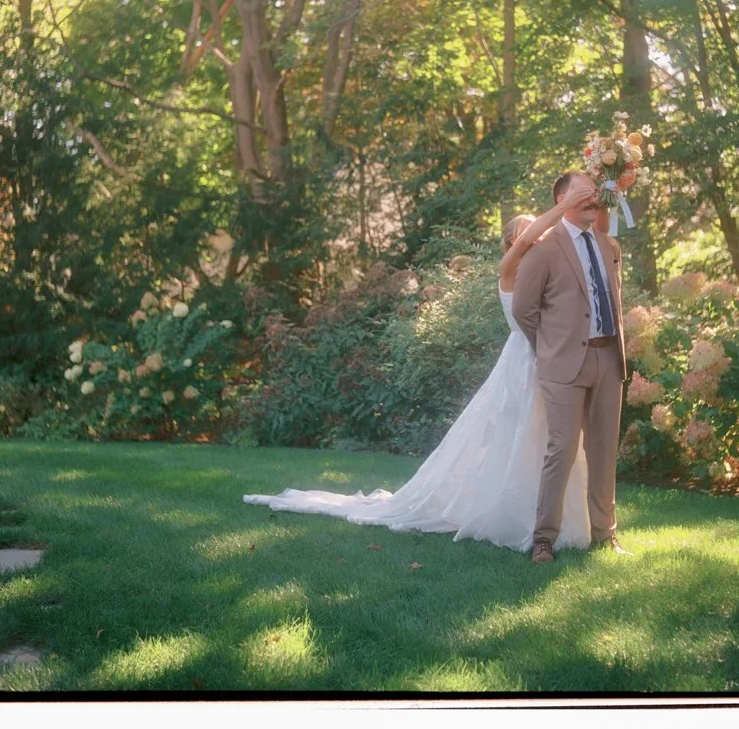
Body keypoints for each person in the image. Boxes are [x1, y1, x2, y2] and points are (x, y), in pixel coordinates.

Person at [243, 181, 597, 554]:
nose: (537, 238)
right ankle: (518, 517)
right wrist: (562, 208)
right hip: (525, 362)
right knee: (521, 438)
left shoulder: (548, 267)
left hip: (557, 357)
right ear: (513, 242)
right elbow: (528, 255)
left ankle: (556, 520)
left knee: (551, 440)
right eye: (528, 233)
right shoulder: (510, 269)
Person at [512, 170, 632, 563]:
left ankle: (605, 535)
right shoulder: (545, 247)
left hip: (608, 360)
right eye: (581, 191)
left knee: (603, 451)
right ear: (562, 198)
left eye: (593, 191)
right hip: (563, 363)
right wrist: (551, 347)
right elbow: (524, 310)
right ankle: (544, 539)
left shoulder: (608, 245)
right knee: (561, 449)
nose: (591, 197)